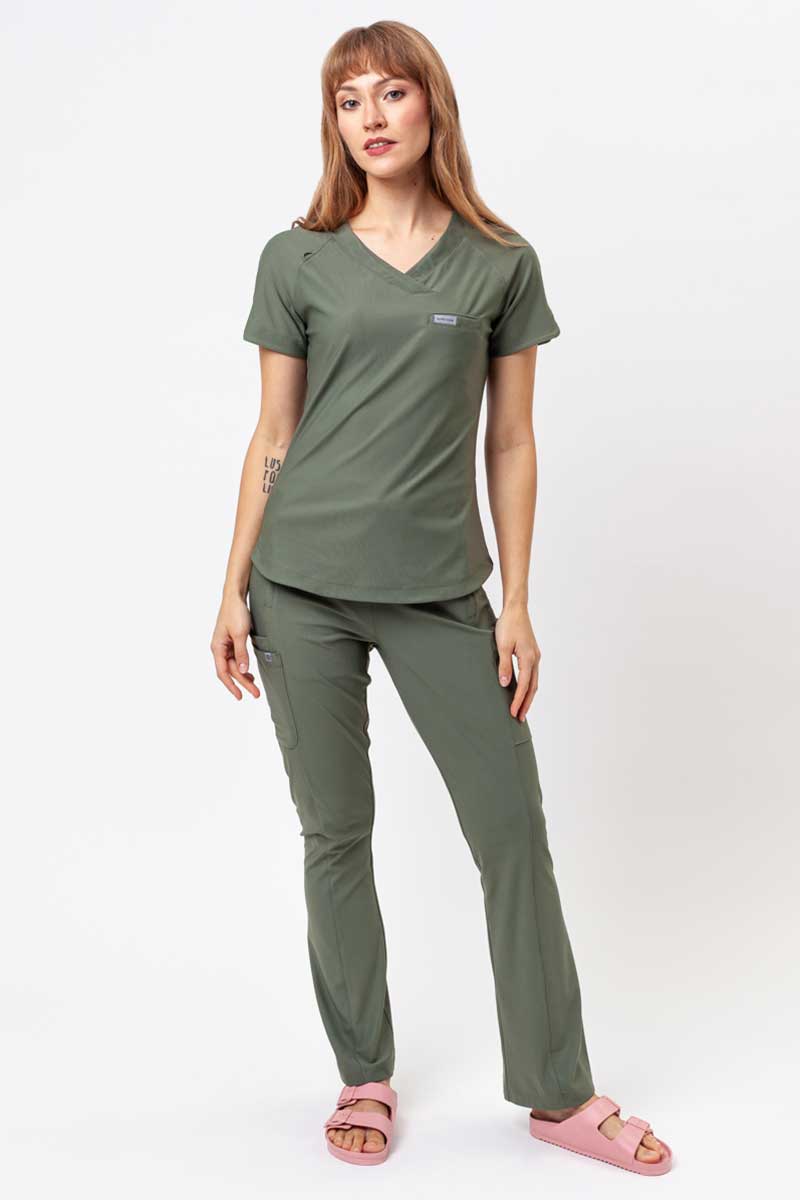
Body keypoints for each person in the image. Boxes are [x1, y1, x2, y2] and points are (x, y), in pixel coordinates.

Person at [211, 19, 673, 1176]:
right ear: (332, 124)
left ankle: (558, 1093)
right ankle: (362, 1074)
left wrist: (513, 603)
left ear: (432, 107)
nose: (369, 118)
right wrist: (231, 587)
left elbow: (509, 441)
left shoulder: (497, 264)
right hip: (298, 588)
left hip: (438, 593)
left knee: (510, 833)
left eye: (390, 93)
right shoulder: (296, 259)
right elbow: (273, 435)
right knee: (336, 833)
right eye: (347, 100)